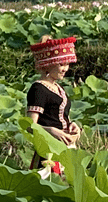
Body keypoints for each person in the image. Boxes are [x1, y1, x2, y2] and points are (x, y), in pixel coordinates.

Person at [26, 35, 81, 172]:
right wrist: (50, 131)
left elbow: (59, 116)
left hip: (66, 147)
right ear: (48, 64)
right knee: (52, 185)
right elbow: (29, 126)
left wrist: (72, 125)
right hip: (49, 150)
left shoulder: (58, 88)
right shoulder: (38, 89)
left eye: (67, 64)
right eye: (61, 64)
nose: (65, 69)